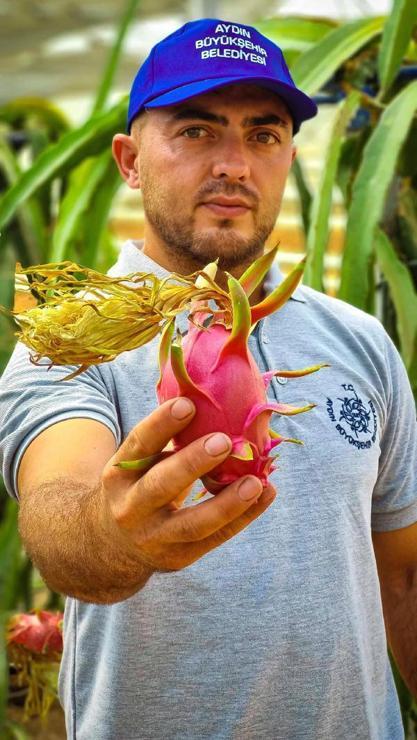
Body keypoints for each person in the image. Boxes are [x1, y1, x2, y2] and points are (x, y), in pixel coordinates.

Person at [1, 17, 416, 740]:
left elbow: (405, 577)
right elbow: (59, 512)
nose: (234, 163)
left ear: (288, 155)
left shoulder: (359, 341)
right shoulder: (71, 341)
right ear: (129, 161)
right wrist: (114, 537)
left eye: (263, 134)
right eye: (195, 132)